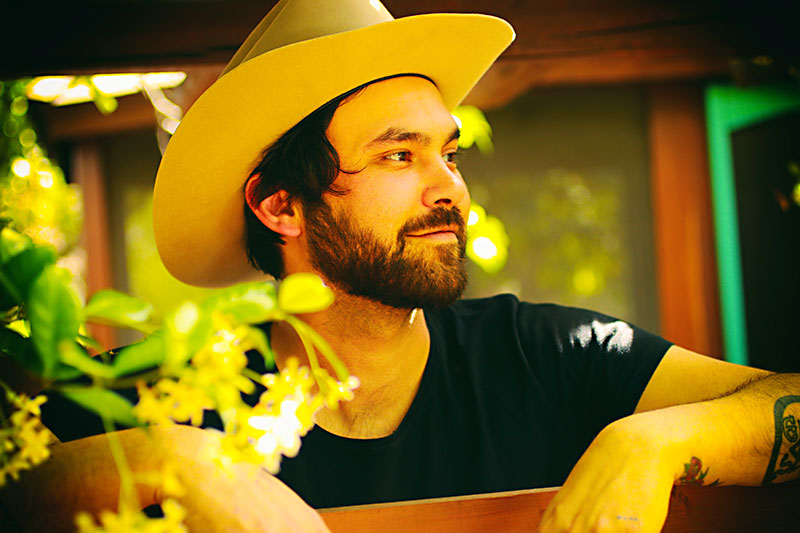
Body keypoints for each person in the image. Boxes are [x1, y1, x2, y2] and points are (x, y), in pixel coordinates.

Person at [5, 0, 799, 531]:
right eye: (398, 153)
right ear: (280, 206)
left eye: (447, 152)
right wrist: (168, 458)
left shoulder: (548, 357)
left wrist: (650, 443)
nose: (448, 184)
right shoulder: (155, 396)